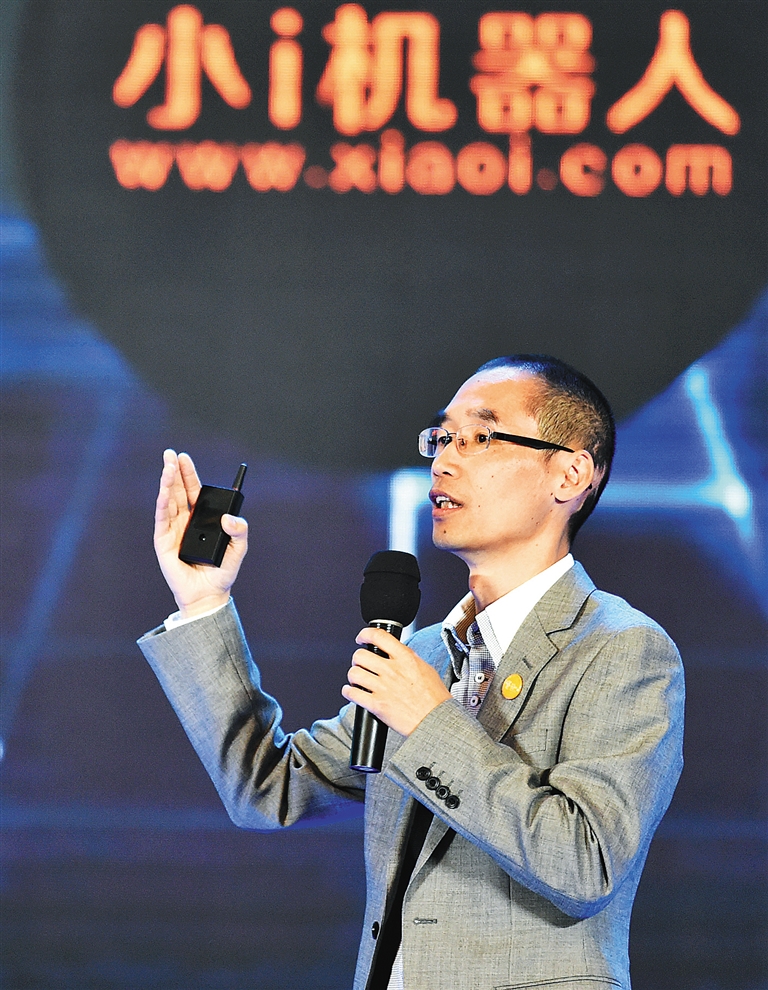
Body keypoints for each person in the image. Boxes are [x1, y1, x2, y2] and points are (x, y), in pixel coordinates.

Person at [138, 354, 684, 990]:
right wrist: (203, 602)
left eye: (481, 436)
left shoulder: (622, 649)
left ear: (570, 474)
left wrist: (430, 722)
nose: (444, 460)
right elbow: (268, 788)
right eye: (442, 438)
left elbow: (586, 865)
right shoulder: (425, 654)